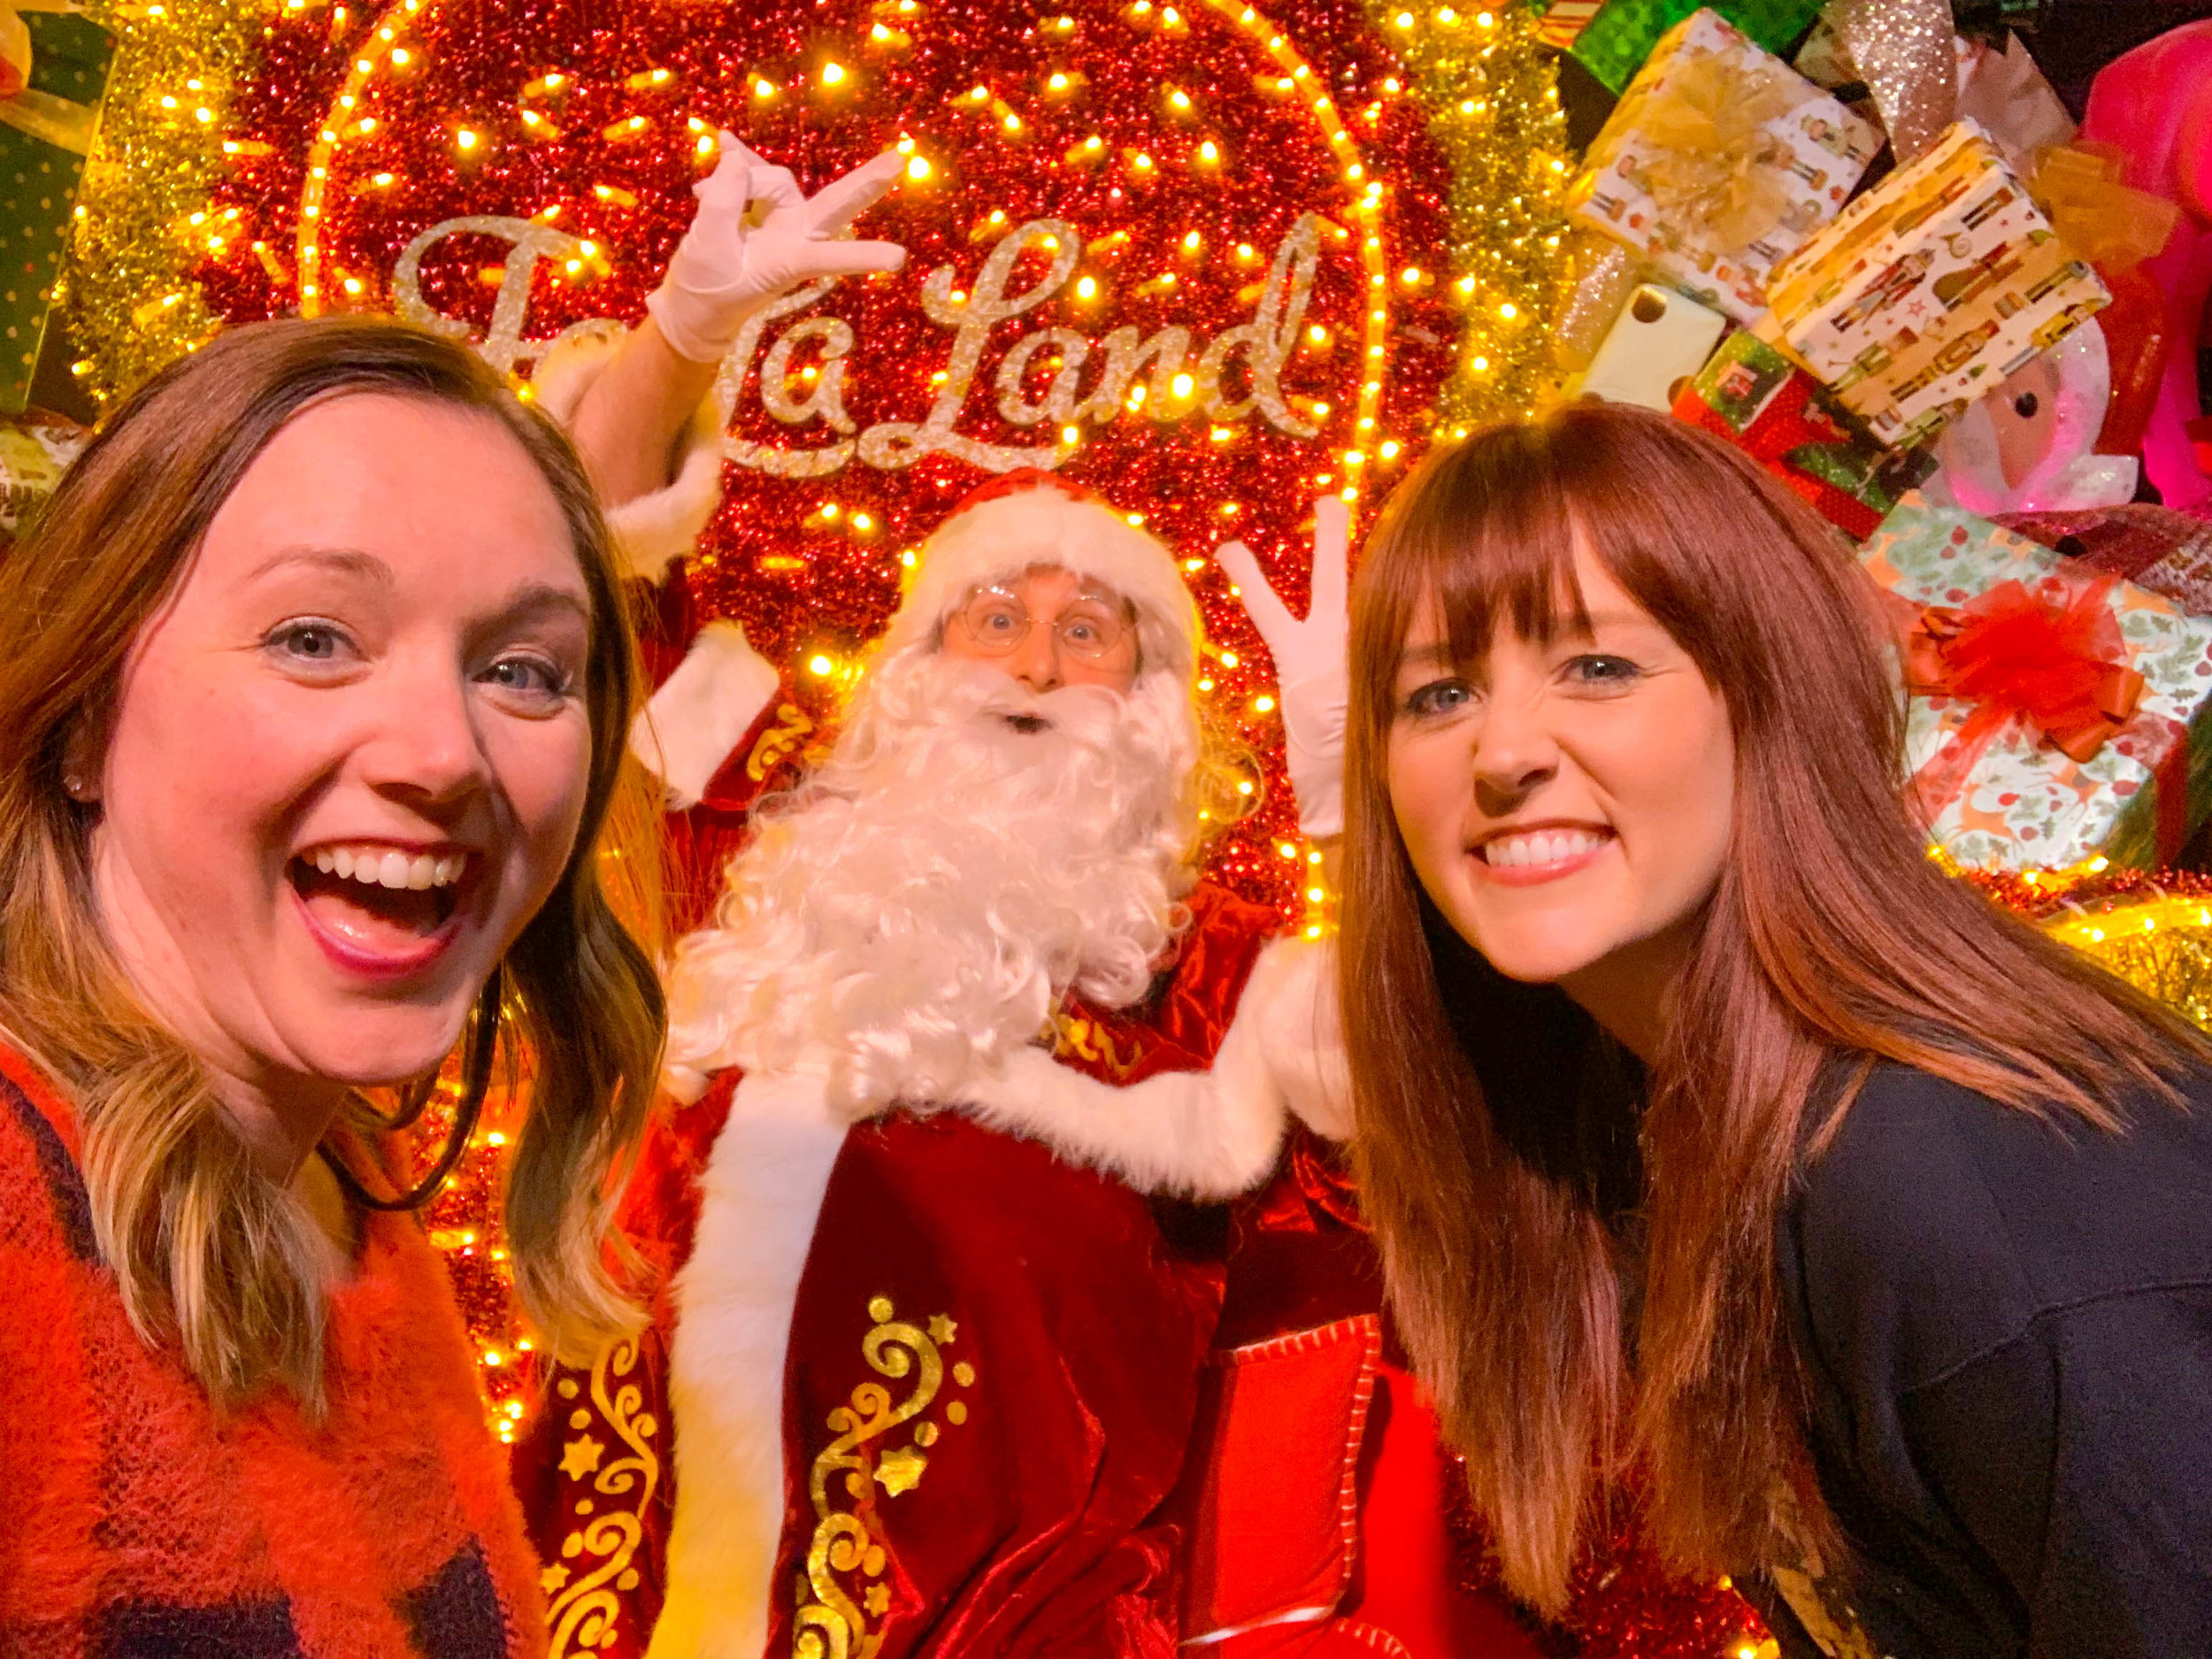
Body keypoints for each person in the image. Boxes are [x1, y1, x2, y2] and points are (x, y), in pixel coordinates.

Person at [511, 136, 1566, 1659]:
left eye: (1092, 633)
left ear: (1155, 710)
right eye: (990, 617)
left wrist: (1372, 817)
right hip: (594, 1582)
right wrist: (681, 335)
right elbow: (586, 590)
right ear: (913, 671)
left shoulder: (1216, 983)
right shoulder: (777, 817)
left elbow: (1451, 1144)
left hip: (1001, 1622)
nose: (1029, 659)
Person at [1340, 400, 2212, 1657]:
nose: (1502, 752)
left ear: (1773, 696)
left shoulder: (1960, 1189)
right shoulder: (1634, 1120)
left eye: (1597, 665)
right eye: (1439, 693)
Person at [0, 317, 665, 1655]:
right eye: (313, 638)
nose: (444, 753)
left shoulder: (346, 1177)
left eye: (522, 670)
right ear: (82, 715)